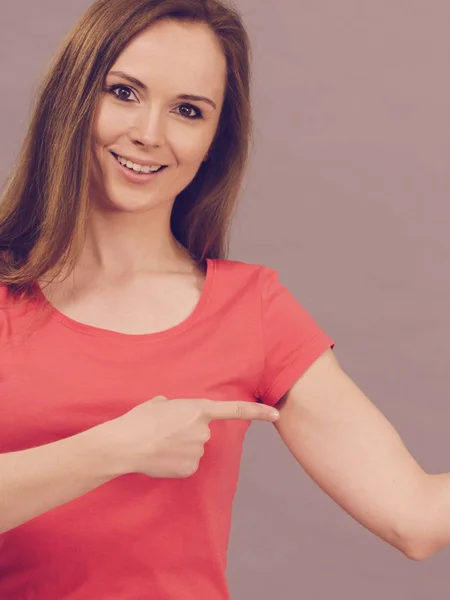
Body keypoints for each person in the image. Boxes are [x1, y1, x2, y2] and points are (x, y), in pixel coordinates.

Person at [0, 0, 444, 598]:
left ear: (214, 139)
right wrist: (117, 447)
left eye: (188, 110)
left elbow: (414, 516)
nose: (149, 133)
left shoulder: (251, 308)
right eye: (124, 92)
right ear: (72, 97)